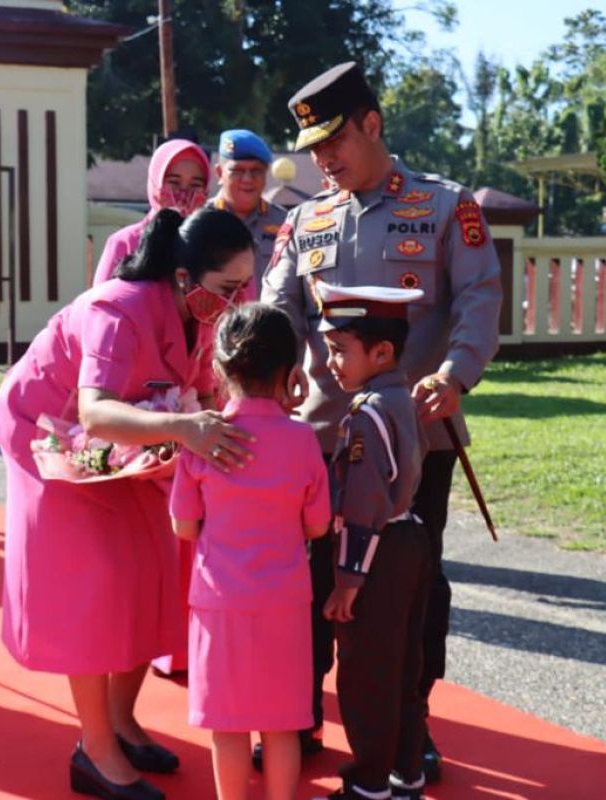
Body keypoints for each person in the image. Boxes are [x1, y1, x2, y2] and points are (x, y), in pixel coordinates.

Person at [261, 61, 502, 781]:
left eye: (334, 140)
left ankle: (410, 724)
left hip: (411, 443)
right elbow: (278, 309)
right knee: (304, 580)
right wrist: (270, 372)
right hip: (317, 443)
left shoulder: (443, 205)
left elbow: (480, 298)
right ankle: (293, 712)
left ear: (372, 124)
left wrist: (455, 374)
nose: (322, 160)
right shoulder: (306, 220)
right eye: (313, 149)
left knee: (407, 591)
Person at [0, 207, 255, 800]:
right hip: (49, 440)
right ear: (185, 277)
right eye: (228, 288)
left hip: (130, 449)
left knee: (150, 572)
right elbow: (94, 410)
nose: (236, 302)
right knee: (96, 584)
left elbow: (204, 387)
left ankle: (122, 720)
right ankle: (95, 750)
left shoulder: (200, 314)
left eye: (244, 288)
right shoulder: (120, 307)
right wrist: (187, 428)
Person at [170, 303, 330, 800]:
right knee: (283, 723)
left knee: (229, 723)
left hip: (220, 601)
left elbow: (184, 525)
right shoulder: (303, 441)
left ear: (218, 368)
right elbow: (318, 524)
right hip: (284, 599)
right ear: (290, 371)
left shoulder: (200, 440)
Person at [314, 283, 429, 800]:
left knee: (365, 676)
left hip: (376, 553)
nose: (330, 361)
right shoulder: (401, 397)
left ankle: (367, 785)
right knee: (405, 664)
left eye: (340, 350)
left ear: (381, 352)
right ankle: (408, 772)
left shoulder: (365, 415)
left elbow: (362, 506)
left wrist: (347, 583)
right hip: (411, 539)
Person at [91, 138, 210, 285]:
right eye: (174, 182)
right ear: (155, 183)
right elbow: (101, 303)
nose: (184, 194)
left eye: (195, 184)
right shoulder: (125, 242)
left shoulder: (213, 246)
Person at [206, 130, 288, 297]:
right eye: (238, 170)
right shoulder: (201, 221)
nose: (248, 179)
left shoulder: (284, 222)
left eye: (256, 171)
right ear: (220, 173)